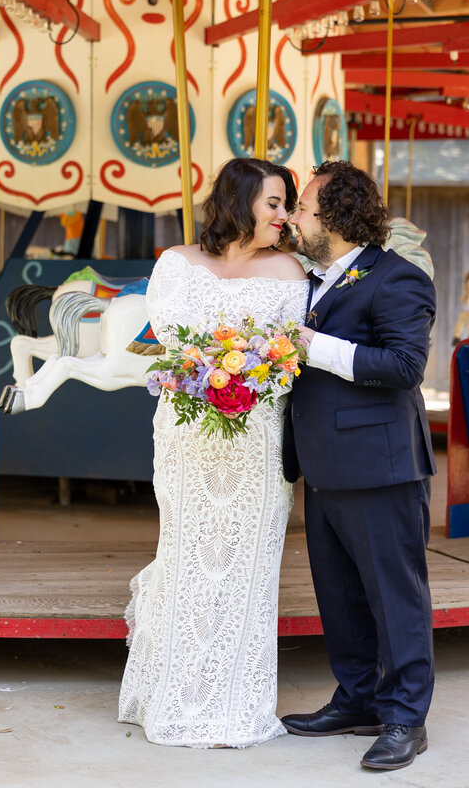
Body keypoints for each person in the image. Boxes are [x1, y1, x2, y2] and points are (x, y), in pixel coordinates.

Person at [119, 158, 308, 748]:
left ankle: (235, 704)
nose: (283, 216)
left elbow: (288, 353)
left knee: (247, 568)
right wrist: (210, 372)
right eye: (273, 203)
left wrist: (251, 377)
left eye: (287, 205)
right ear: (240, 199)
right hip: (187, 436)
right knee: (187, 557)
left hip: (256, 439)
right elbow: (172, 346)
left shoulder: (291, 270)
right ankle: (169, 696)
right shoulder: (175, 264)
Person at [281, 161, 437, 771]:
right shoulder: (314, 277)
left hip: (382, 466)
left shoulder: (396, 278)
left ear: (336, 216)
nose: (295, 218)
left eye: (303, 208)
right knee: (339, 594)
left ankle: (404, 717)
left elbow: (404, 366)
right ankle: (356, 699)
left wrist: (313, 347)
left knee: (395, 596)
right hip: (323, 463)